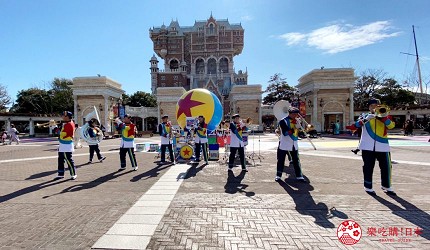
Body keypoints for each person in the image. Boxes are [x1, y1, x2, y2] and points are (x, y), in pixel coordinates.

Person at [354, 99, 396, 196]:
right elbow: (356, 125)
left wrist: (384, 118)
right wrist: (367, 119)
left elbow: (391, 126)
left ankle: (386, 186)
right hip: (367, 146)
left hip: (382, 146)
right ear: (369, 107)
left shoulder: (385, 115)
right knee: (368, 167)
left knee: (386, 167)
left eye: (376, 105)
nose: (374, 107)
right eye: (372, 105)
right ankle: (368, 187)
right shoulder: (364, 116)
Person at [275, 107, 306, 182]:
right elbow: (285, 133)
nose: (295, 115)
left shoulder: (297, 121)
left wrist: (300, 128)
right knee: (281, 160)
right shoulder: (283, 121)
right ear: (290, 113)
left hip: (293, 144)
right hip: (284, 144)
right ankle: (278, 175)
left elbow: (298, 133)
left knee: (296, 160)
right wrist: (295, 127)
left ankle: (299, 176)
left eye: (296, 114)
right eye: (294, 114)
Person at [55, 111, 77, 180]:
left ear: (67, 117)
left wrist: (55, 128)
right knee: (61, 159)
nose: (62, 117)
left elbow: (61, 135)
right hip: (64, 144)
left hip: (65, 145)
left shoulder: (69, 124)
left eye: (63, 116)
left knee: (68, 160)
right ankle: (61, 174)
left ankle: (73, 174)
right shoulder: (68, 123)